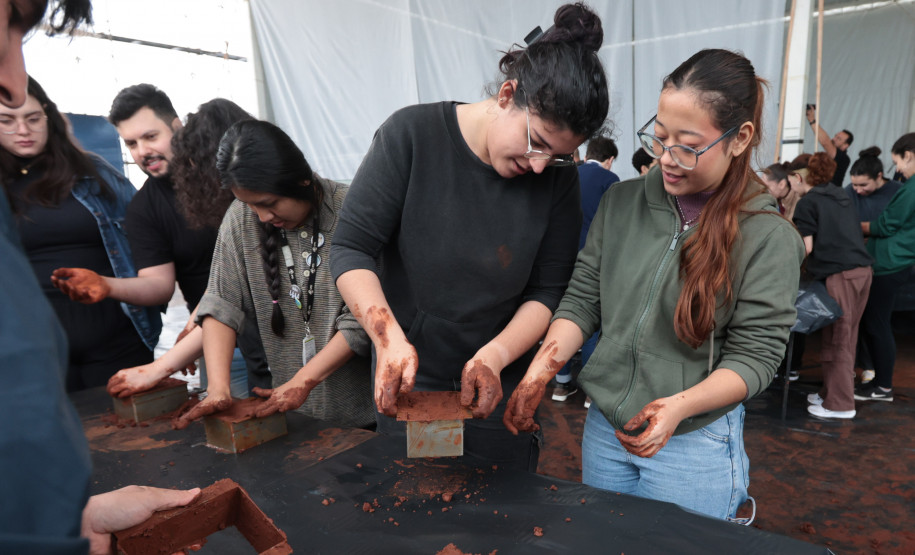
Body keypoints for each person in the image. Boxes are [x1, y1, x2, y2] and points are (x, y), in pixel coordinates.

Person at [504, 49, 804, 520]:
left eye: (688, 145)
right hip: (606, 427)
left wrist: (679, 408)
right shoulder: (622, 202)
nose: (667, 158)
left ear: (740, 138)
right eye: (660, 137)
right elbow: (583, 300)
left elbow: (756, 356)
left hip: (692, 439)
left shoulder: (767, 237)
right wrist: (540, 373)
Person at [331, 3, 609, 471]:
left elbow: (548, 289)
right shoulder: (412, 136)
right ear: (507, 94)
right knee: (408, 506)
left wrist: (495, 357)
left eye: (558, 156)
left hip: (495, 382)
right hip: (410, 375)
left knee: (498, 517)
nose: (540, 165)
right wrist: (389, 339)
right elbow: (352, 247)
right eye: (537, 141)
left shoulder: (555, 179)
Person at [0, 2, 199, 553]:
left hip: (110, 339)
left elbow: (154, 274)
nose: (21, 122)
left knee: (139, 450)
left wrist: (108, 287)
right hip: (47, 361)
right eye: (7, 119)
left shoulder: (96, 180)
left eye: (34, 117)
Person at [174, 120, 374, 429]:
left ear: (301, 181)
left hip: (363, 418)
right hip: (293, 419)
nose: (262, 216)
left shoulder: (353, 209)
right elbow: (221, 301)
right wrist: (217, 390)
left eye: (269, 203)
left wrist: (304, 381)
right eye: (250, 205)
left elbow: (362, 320)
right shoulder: (242, 219)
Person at [0, 76, 160, 391]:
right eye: (7, 121)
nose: (23, 130)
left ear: (49, 117)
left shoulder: (92, 173)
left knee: (135, 436)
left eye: (33, 119)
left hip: (120, 342)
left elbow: (149, 239)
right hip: (37, 352)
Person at [107, 98, 271, 398]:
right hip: (219, 333)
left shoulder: (244, 204)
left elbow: (231, 285)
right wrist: (197, 326)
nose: (142, 151)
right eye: (131, 143)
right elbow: (226, 282)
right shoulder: (146, 208)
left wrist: (164, 364)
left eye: (151, 136)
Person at [791, 152, 873, 419]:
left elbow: (806, 248)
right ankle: (831, 392)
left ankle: (840, 405)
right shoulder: (841, 196)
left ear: (799, 177)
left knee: (839, 338)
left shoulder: (808, 203)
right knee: (845, 335)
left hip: (841, 275)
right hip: (862, 272)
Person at [552, 135, 619, 404]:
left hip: (562, 259)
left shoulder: (569, 175)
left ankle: (561, 385)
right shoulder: (610, 181)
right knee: (592, 325)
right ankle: (591, 391)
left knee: (563, 320)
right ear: (610, 159)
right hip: (595, 262)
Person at [855, 132, 915, 402]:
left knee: (878, 324)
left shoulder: (911, 188)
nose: (899, 170)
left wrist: (852, 227)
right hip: (895, 261)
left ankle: (883, 386)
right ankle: (879, 383)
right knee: (875, 323)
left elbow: (886, 225)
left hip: (890, 264)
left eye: (898, 163)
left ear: (909, 156)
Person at [846, 146, 903, 224]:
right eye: (855, 185)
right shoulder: (849, 191)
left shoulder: (900, 191)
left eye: (863, 185)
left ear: (879, 176)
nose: (858, 191)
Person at [805, 104, 853, 186]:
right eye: (835, 136)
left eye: (839, 139)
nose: (834, 139)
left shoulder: (843, 159)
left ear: (845, 146)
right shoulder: (828, 156)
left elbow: (826, 142)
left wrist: (812, 120)